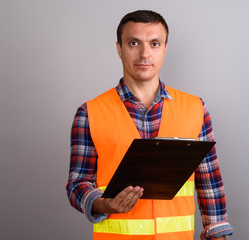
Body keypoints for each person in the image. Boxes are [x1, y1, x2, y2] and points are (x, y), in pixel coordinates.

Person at [66, 10, 233, 240]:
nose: (145, 53)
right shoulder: (89, 113)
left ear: (165, 49)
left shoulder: (195, 108)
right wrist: (103, 204)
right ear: (119, 48)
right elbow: (77, 183)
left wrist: (217, 234)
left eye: (154, 43)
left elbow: (209, 181)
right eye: (133, 43)